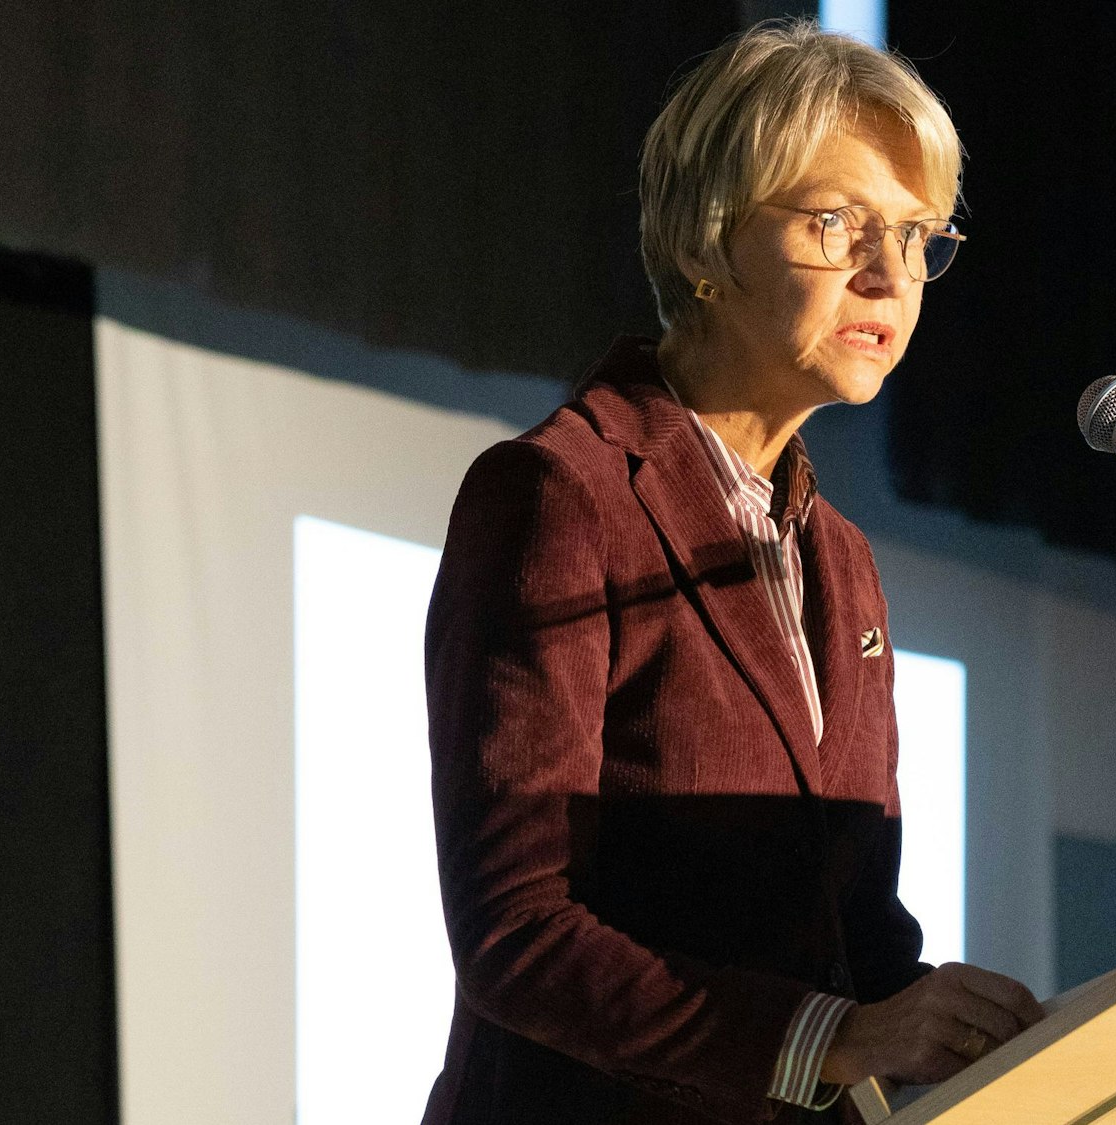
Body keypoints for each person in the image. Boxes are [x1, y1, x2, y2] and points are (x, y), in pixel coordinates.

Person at [421, 20, 1044, 1125]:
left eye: (913, 236)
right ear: (707, 242)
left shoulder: (839, 562)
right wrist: (834, 1038)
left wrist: (953, 1028)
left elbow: (848, 933)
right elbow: (517, 933)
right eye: (834, 223)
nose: (884, 273)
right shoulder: (559, 495)